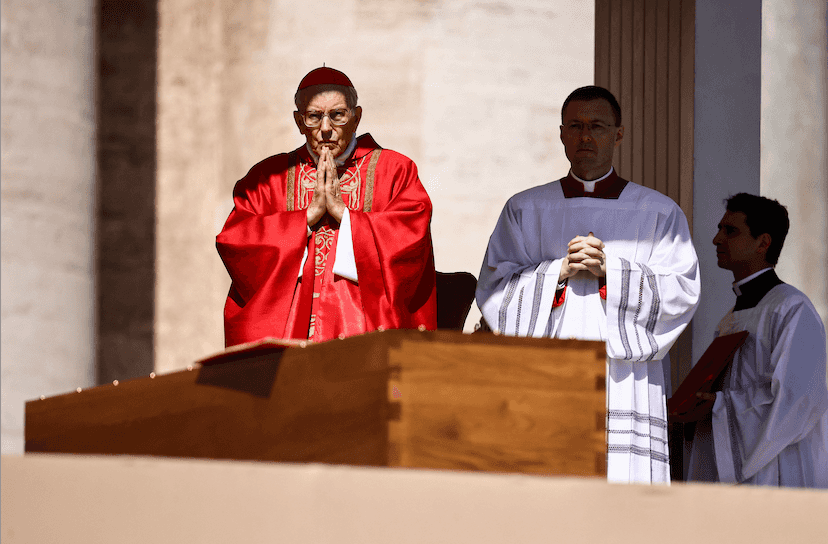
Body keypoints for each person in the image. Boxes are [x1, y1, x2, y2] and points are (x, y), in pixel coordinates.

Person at [475, 86, 700, 484]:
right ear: (561, 134)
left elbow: (681, 293)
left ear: (619, 134)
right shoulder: (525, 208)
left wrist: (611, 271)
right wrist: (556, 271)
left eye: (597, 126)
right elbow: (494, 290)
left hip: (624, 378)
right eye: (575, 126)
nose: (585, 137)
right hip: (547, 372)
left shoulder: (658, 212)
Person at [216, 67, 437, 346]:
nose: (325, 128)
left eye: (337, 115)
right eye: (313, 116)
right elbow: (236, 241)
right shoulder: (265, 179)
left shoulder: (395, 171)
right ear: (298, 122)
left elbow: (411, 240)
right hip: (288, 337)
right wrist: (305, 219)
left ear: (356, 118)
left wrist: (345, 216)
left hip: (362, 335)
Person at [682, 193, 828, 488]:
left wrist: (719, 406)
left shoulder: (792, 308)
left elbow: (798, 399)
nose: (716, 239)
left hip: (778, 466)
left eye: (730, 231)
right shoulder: (732, 317)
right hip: (734, 463)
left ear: (763, 243)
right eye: (720, 229)